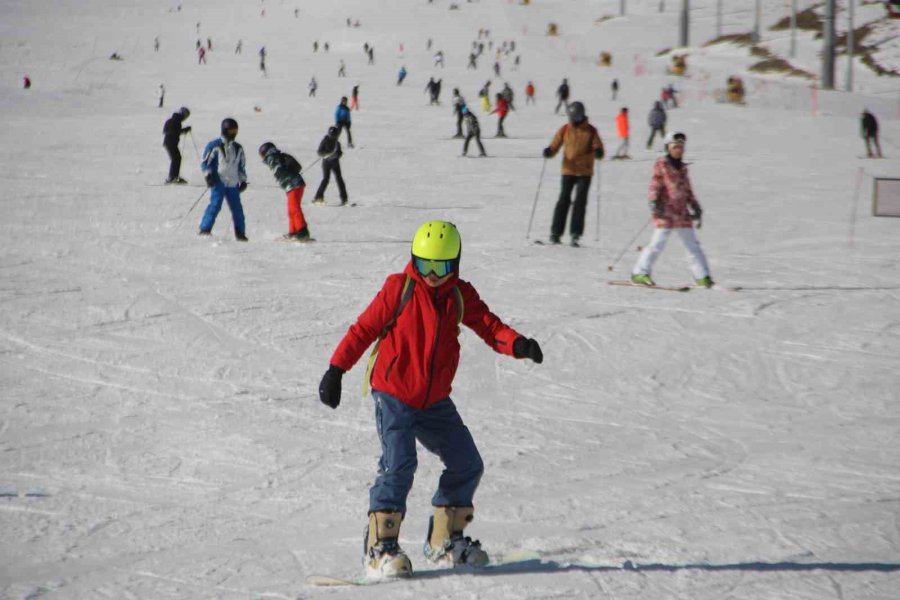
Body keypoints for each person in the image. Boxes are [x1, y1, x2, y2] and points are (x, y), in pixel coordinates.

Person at [317, 220, 544, 579]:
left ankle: (444, 541)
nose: (433, 275)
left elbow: (488, 325)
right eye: (425, 265)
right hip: (394, 392)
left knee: (467, 462)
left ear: (455, 264)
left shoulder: (459, 295)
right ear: (413, 260)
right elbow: (363, 330)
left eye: (441, 266)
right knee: (399, 463)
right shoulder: (399, 288)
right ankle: (380, 545)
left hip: (434, 399)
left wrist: (518, 344)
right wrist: (336, 370)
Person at [631, 132, 712, 288]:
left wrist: (695, 206)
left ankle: (702, 276)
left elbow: (687, 190)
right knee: (657, 244)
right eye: (675, 147)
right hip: (665, 212)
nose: (678, 150)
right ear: (668, 148)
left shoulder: (683, 168)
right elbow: (655, 184)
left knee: (692, 245)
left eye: (681, 147)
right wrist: (654, 202)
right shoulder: (661, 165)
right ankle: (639, 273)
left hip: (681, 213)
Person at [542, 101, 604, 246]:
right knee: (563, 200)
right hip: (568, 169)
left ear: (581, 116)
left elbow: (598, 147)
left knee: (580, 203)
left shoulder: (591, 131)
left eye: (575, 117)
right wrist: (549, 151)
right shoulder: (565, 129)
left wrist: (598, 152)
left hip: (584, 171)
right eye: (571, 117)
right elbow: (555, 145)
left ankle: (575, 233)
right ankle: (555, 232)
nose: (572, 120)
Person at [198, 118, 248, 241]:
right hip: (218, 181)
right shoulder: (215, 145)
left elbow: (241, 166)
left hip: (233, 182)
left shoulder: (238, 148)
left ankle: (240, 233)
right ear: (224, 130)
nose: (233, 133)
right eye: (231, 130)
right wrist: (208, 175)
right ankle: (205, 228)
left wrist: (243, 180)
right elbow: (206, 163)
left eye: (235, 130)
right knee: (215, 205)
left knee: (237, 209)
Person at [259, 142, 311, 241]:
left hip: (294, 185)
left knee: (294, 208)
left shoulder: (273, 158)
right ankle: (294, 231)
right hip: (293, 185)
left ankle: (302, 231)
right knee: (291, 209)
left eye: (262, 155)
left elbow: (279, 170)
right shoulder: (276, 157)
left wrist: (282, 175)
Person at [313, 126, 348, 205]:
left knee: (339, 180)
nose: (334, 136)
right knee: (326, 179)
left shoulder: (337, 143)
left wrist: (337, 155)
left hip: (335, 163)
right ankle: (318, 197)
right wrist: (326, 154)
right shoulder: (325, 141)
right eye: (332, 135)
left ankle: (344, 199)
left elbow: (340, 152)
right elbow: (319, 152)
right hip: (326, 163)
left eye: (335, 135)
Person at [162, 106, 191, 184]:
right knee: (176, 158)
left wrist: (184, 130)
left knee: (177, 158)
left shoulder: (173, 120)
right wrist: (183, 130)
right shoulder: (175, 121)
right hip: (170, 142)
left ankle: (174, 176)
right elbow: (171, 131)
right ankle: (173, 177)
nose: (185, 118)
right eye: (186, 116)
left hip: (170, 142)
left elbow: (171, 130)